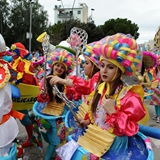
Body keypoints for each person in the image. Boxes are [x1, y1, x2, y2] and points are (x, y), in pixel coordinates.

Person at [75, 33, 149, 159]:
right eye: (102, 65)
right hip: (95, 141)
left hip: (114, 148)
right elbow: (96, 113)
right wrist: (87, 120)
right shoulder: (100, 88)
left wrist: (114, 113)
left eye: (110, 67)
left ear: (120, 70)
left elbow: (130, 129)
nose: (103, 70)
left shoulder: (129, 97)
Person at [10, 42, 39, 148]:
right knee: (11, 117)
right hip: (15, 95)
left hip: (22, 95)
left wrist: (18, 79)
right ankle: (11, 139)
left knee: (24, 118)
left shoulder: (25, 63)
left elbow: (28, 80)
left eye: (14, 51)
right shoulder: (15, 61)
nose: (12, 53)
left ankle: (31, 138)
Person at [0, 34, 24, 158]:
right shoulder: (3, 68)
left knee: (4, 154)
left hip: (2, 130)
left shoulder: (1, 72)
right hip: (5, 125)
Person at [37, 46, 75, 116]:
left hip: (62, 114)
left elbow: (72, 97)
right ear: (53, 66)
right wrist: (44, 95)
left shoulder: (67, 81)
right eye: (57, 65)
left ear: (65, 70)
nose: (59, 68)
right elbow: (41, 100)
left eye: (62, 67)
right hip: (46, 113)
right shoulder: (45, 80)